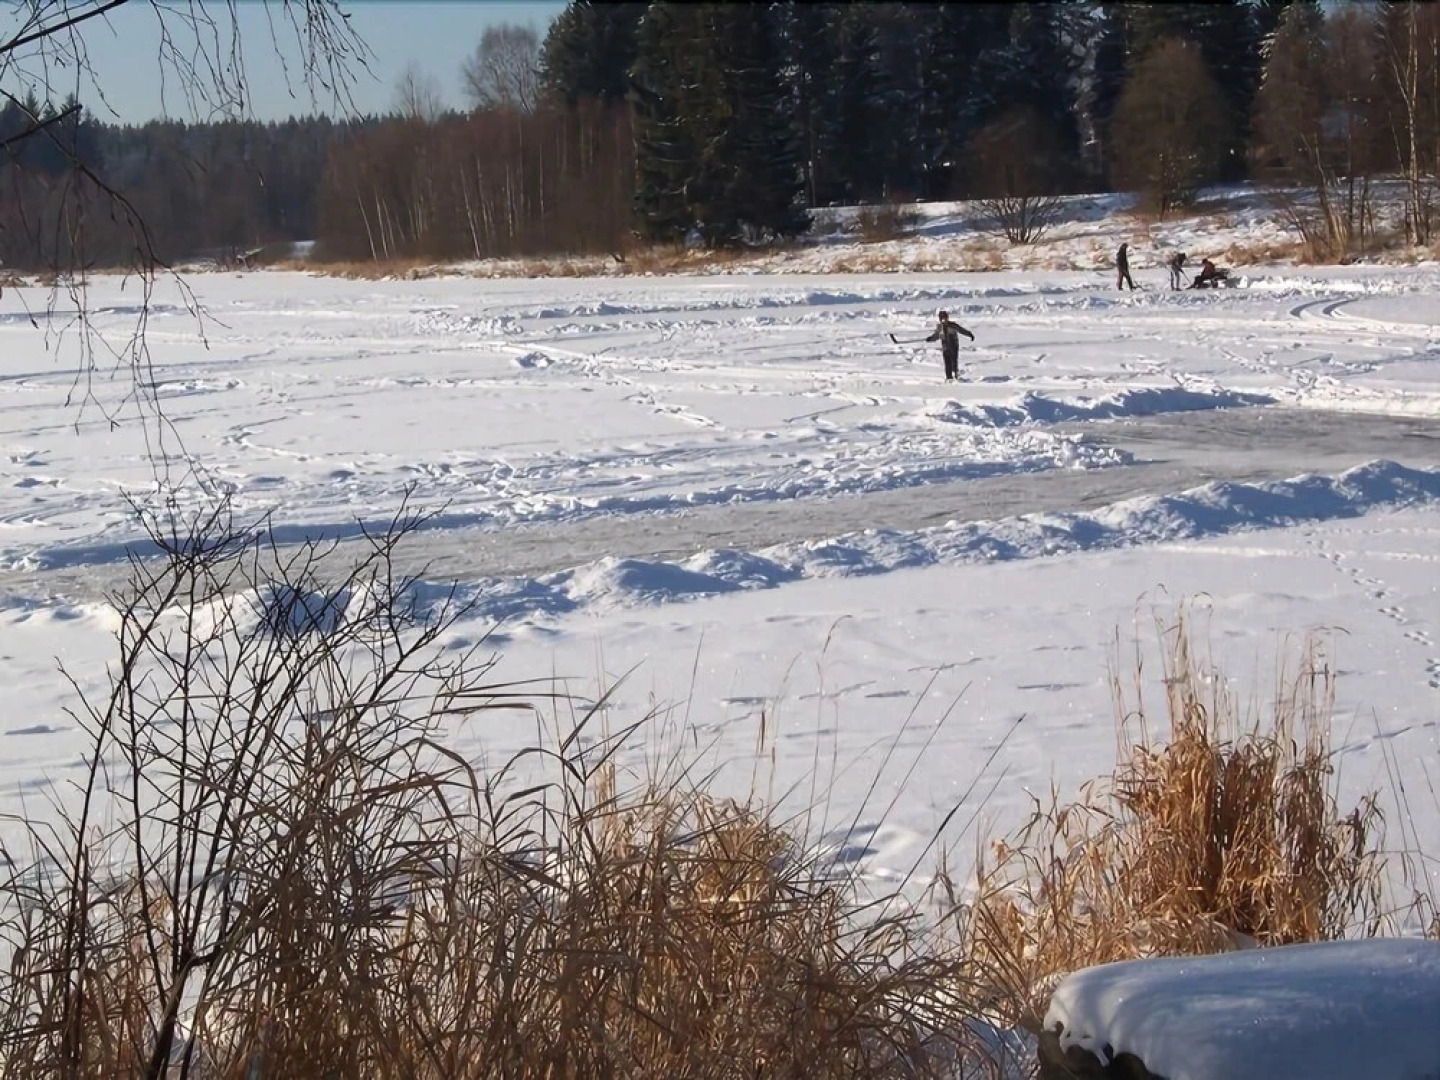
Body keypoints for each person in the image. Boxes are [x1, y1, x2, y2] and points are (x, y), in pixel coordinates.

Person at [925, 310, 974, 382]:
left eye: (944, 318)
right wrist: (930, 339)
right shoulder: (940, 327)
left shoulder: (953, 325)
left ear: (947, 318)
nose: (943, 320)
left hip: (953, 345)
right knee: (947, 361)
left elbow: (962, 330)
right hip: (945, 346)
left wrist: (969, 334)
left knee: (954, 360)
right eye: (941, 318)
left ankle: (956, 374)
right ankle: (949, 377)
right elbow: (936, 336)